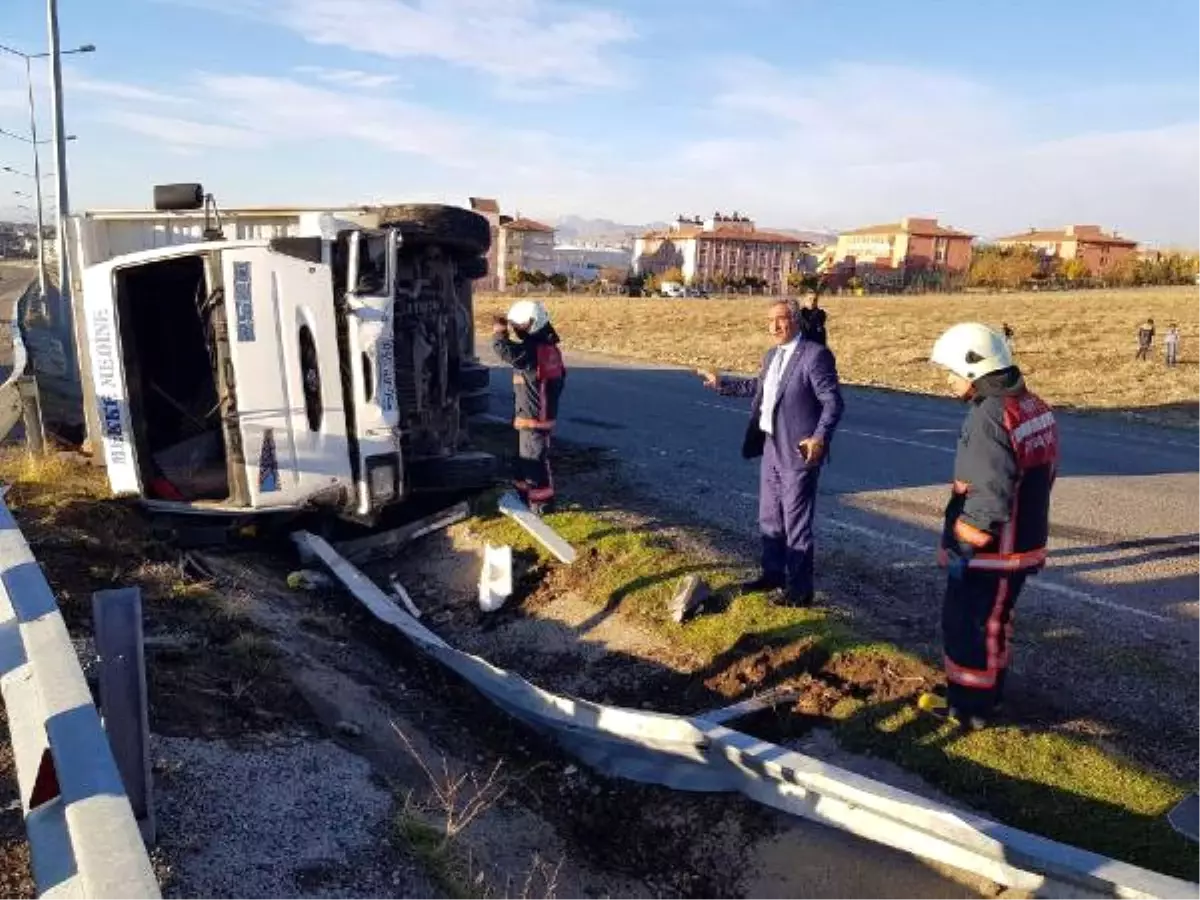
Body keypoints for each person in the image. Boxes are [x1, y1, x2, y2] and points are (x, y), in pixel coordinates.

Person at [921, 323, 1059, 730]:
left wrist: (965, 543)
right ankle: (983, 696)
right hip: (1021, 542)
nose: (948, 381)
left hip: (992, 552)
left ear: (973, 368)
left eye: (951, 372)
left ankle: (970, 707)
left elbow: (990, 494)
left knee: (969, 624)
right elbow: (1044, 472)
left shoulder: (989, 417)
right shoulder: (1033, 406)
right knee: (995, 624)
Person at [697, 300, 844, 607]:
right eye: (770, 321)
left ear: (795, 321)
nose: (774, 326)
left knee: (796, 523)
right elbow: (758, 387)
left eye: (781, 319)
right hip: (770, 447)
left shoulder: (815, 356)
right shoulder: (772, 356)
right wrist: (721, 383)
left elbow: (833, 402)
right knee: (769, 517)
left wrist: (819, 438)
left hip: (798, 452)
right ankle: (773, 574)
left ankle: (800, 590)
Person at [492, 300, 566, 515]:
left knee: (533, 462)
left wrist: (499, 331)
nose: (516, 329)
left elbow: (503, 350)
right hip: (537, 416)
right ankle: (524, 497)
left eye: (518, 325)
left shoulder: (532, 351)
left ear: (532, 324)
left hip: (533, 419)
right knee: (523, 461)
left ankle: (542, 505)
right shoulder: (550, 349)